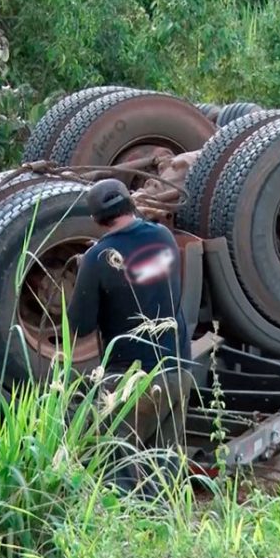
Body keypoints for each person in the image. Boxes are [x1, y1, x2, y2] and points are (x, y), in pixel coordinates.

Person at [67, 178, 192, 454]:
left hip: (133, 384)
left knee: (117, 470)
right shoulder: (164, 236)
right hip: (178, 372)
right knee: (163, 468)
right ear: (131, 204)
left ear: (96, 219)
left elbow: (79, 327)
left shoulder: (97, 257)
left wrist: (85, 275)